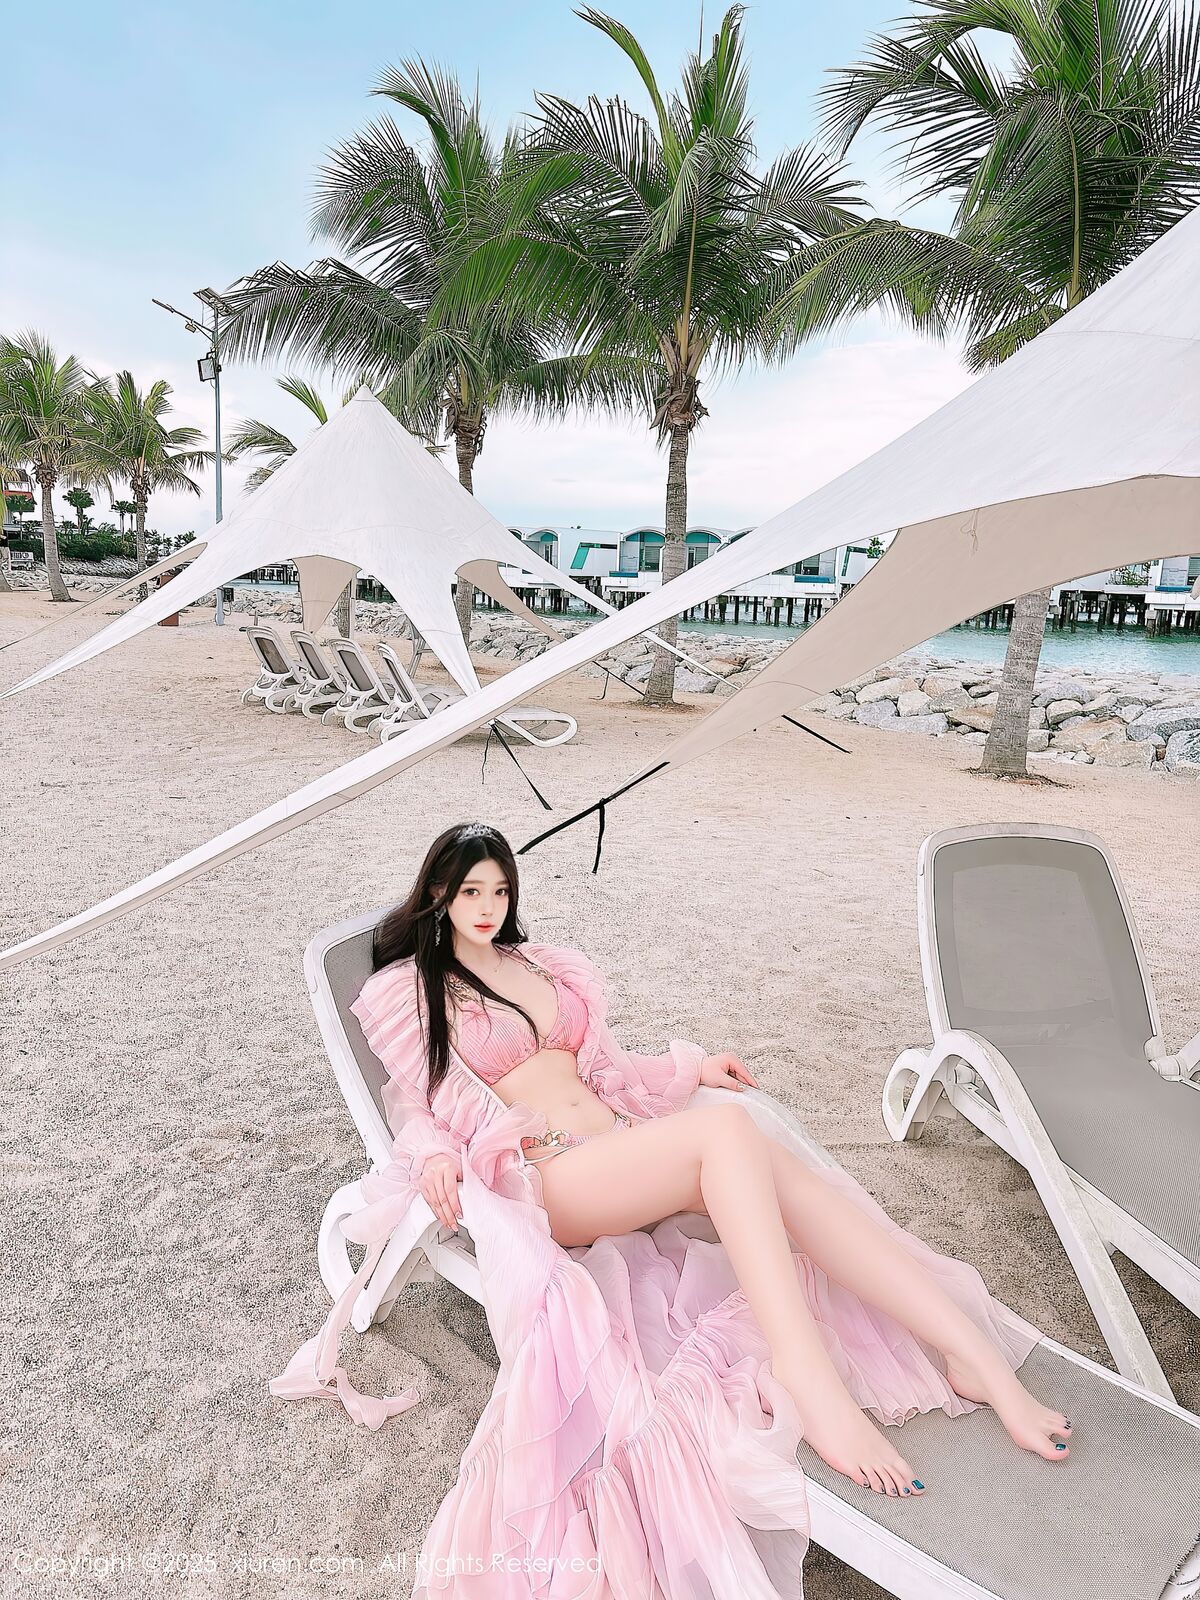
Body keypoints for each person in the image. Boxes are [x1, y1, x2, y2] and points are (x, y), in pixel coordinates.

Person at [272, 820, 1067, 1597]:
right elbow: (411, 1104)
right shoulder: (408, 990)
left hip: (618, 1144)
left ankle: (968, 1351)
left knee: (775, 1164)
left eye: (499, 890)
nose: (486, 906)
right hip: (551, 1176)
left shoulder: (538, 965)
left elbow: (605, 1069)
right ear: (439, 893)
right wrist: (436, 1157)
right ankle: (807, 1373)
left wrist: (691, 1068)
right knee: (729, 1133)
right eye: (469, 890)